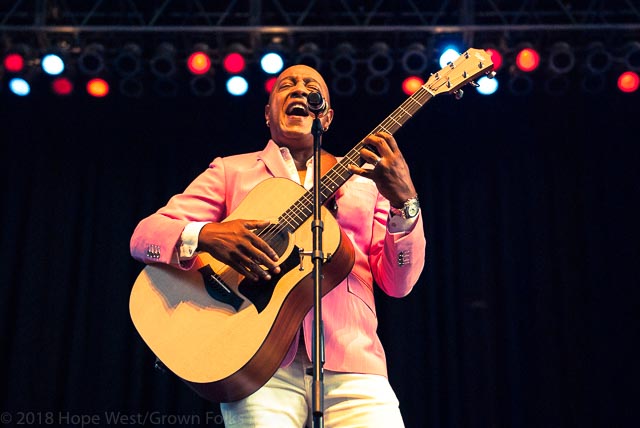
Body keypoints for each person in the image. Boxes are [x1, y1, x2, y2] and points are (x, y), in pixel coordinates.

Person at [130, 64, 426, 427]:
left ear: (327, 117)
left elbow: (399, 284)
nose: (299, 89)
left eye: (310, 86)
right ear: (267, 113)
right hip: (255, 362)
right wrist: (208, 235)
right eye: (287, 84)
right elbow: (146, 235)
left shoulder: (367, 185)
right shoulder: (231, 171)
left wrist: (406, 203)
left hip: (354, 362)